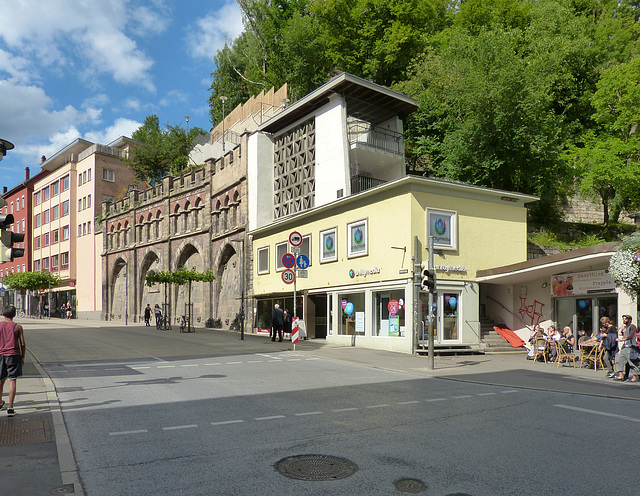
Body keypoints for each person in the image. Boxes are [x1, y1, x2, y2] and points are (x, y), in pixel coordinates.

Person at [0, 305, 26, 417]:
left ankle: (0, 401)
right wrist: (22, 357)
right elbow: (23, 344)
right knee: (12, 380)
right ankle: (10, 407)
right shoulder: (18, 327)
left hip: (0, 355)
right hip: (13, 355)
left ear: (3, 314)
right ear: (14, 314)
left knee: (0, 380)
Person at [613, 315, 639, 382]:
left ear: (630, 320)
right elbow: (625, 336)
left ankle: (634, 377)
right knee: (619, 359)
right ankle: (620, 375)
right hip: (625, 347)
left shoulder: (632, 326)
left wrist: (621, 340)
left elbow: (630, 336)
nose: (624, 320)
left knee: (632, 362)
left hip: (631, 347)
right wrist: (622, 331)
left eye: (625, 319)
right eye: (623, 319)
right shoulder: (625, 328)